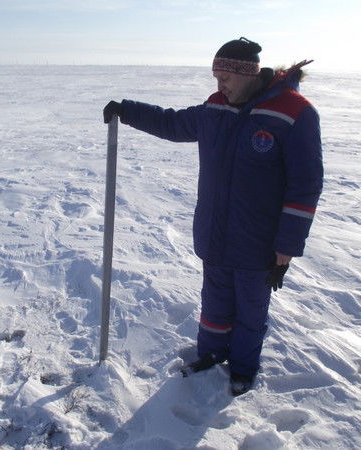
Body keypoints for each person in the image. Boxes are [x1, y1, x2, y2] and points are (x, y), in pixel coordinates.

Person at [103, 37, 323, 396]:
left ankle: (243, 368)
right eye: (216, 77)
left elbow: (306, 183)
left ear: (248, 74)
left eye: (225, 78)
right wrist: (127, 110)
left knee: (250, 313)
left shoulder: (294, 112)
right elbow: (173, 124)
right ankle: (211, 354)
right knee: (216, 303)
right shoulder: (216, 107)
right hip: (216, 233)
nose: (219, 85)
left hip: (259, 240)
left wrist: (287, 245)